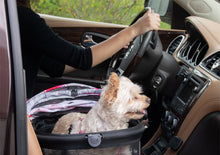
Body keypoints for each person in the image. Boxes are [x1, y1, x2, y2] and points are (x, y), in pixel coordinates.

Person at [17, 0, 161, 98]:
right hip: (16, 111)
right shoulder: (23, 18)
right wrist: (135, 30)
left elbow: (56, 67)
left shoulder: (16, 17)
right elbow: (82, 59)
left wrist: (113, 46)